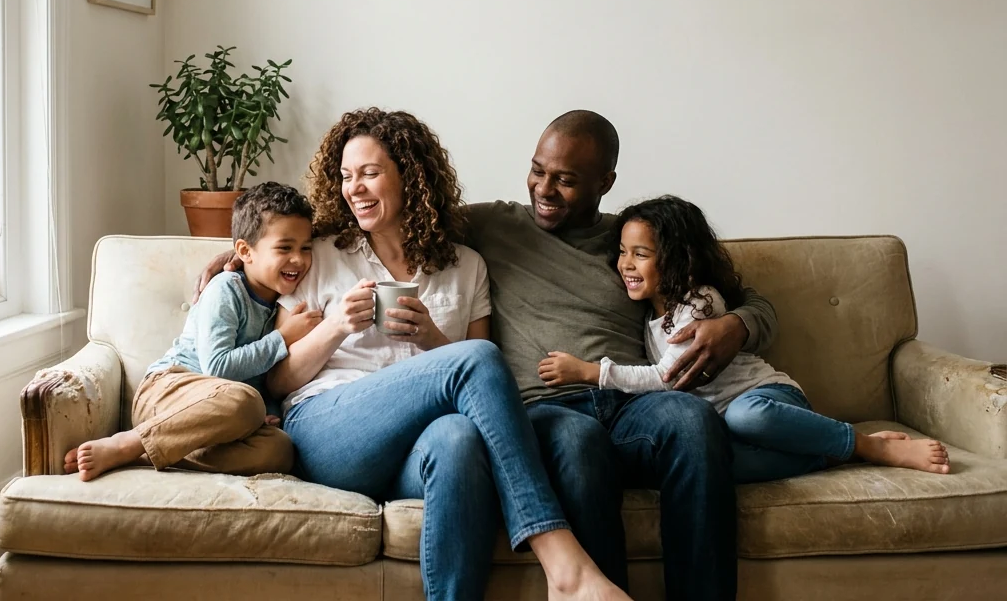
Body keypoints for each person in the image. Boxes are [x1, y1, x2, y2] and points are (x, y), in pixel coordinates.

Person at [270, 109, 629, 601]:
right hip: (331, 432)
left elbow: (480, 385)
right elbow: (278, 380)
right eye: (347, 176)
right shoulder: (318, 255)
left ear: (410, 176)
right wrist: (335, 326)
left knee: (458, 438)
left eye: (370, 173)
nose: (355, 188)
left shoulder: (467, 266)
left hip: (417, 445)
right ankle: (562, 562)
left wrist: (432, 340)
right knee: (475, 357)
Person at [463, 110, 779, 601]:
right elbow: (407, 216)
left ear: (605, 183)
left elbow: (753, 301)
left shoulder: (632, 240)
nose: (544, 189)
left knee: (692, 419)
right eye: (538, 171)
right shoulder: (494, 225)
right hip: (547, 410)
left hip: (633, 403)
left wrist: (736, 325)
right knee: (580, 442)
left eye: (566, 180)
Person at [537, 195, 951, 481]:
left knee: (744, 415)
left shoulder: (699, 303)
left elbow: (666, 377)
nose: (626, 263)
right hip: (721, 426)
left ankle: (865, 445)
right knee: (712, 462)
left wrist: (590, 372)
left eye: (640, 254)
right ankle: (828, 454)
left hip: (766, 402)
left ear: (679, 259)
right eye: (623, 252)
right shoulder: (648, 315)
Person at [63, 182, 321, 482]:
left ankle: (146, 454)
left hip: (212, 420)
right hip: (167, 392)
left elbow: (263, 377)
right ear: (244, 251)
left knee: (281, 450)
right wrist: (283, 338)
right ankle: (127, 443)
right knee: (246, 403)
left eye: (305, 248)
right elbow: (218, 367)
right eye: (284, 248)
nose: (298, 259)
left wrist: (269, 412)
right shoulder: (226, 289)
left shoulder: (281, 302)